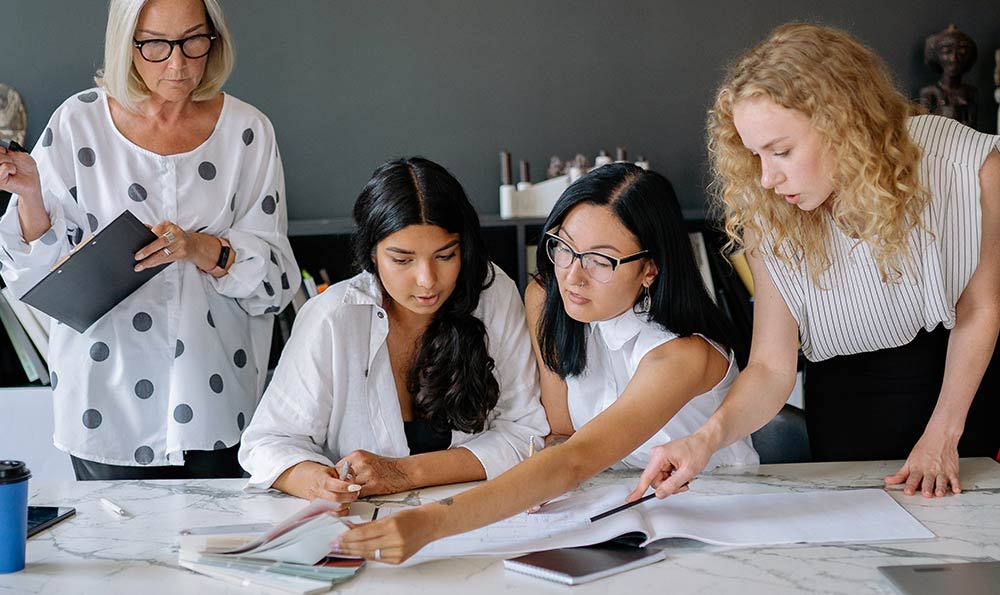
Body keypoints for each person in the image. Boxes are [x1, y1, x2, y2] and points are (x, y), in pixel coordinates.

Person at [632, 23, 1000, 504]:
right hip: (847, 401)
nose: (765, 178)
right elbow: (769, 366)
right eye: (755, 154)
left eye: (781, 151)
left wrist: (943, 435)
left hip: (959, 392)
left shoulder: (964, 165)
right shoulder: (770, 210)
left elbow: (980, 310)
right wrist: (704, 439)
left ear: (845, 126)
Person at [332, 163, 757, 563]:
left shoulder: (683, 354)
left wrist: (433, 521)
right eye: (565, 248)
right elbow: (562, 435)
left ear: (649, 269)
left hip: (715, 521)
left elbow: (577, 458)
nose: (572, 275)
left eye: (599, 259)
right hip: (610, 512)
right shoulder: (548, 298)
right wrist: (538, 476)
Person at [0, 0, 298, 479]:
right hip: (104, 404)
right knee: (118, 553)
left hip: (216, 401)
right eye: (156, 44)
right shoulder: (79, 122)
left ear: (214, 39)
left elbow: (277, 285)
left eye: (193, 41)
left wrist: (203, 249)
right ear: (127, 43)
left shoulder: (248, 132)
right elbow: (36, 276)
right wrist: (32, 196)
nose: (178, 64)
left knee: (217, 551)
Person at [238, 157, 549, 506]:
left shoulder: (492, 295)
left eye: (445, 256)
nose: (427, 280)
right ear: (372, 255)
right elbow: (266, 444)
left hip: (472, 518)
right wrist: (316, 483)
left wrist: (403, 473)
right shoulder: (332, 317)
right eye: (402, 260)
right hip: (361, 527)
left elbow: (526, 433)